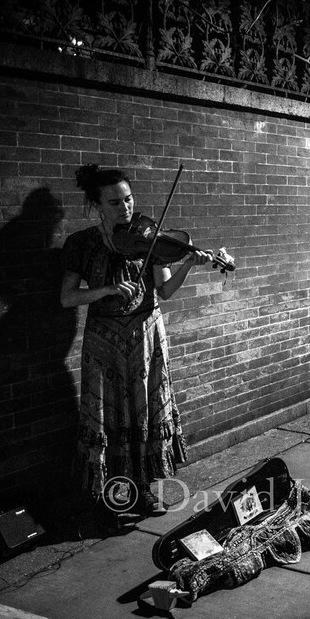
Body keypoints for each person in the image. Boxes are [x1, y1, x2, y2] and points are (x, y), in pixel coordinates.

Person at [61, 164, 208, 516]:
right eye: (114, 203)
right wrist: (108, 289)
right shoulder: (81, 243)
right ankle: (114, 498)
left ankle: (143, 490)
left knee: (144, 412)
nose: (125, 209)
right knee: (108, 418)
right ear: (97, 206)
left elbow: (166, 291)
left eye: (128, 200)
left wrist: (187, 264)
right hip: (104, 342)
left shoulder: (150, 240)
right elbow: (67, 298)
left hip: (145, 337)